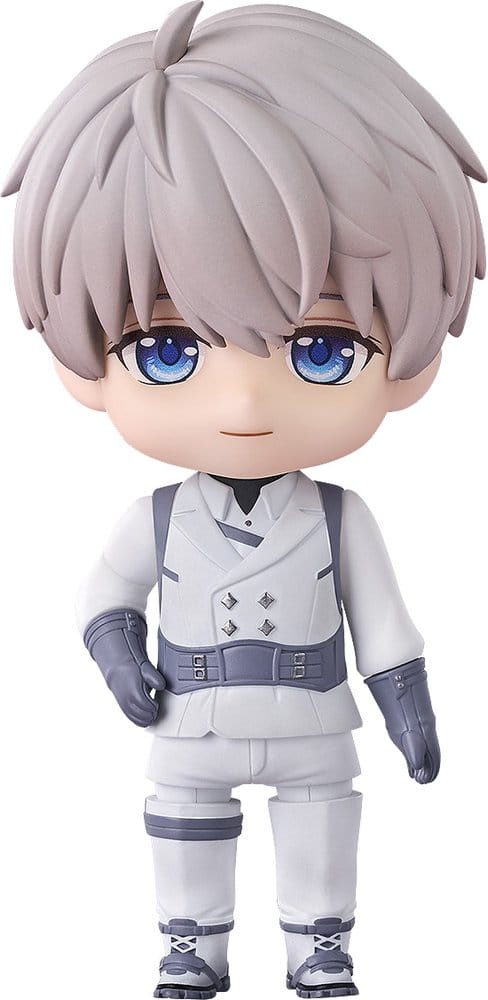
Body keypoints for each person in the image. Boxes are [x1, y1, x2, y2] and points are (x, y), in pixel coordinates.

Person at [2, 3, 485, 997]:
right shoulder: (157, 518)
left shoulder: (341, 517)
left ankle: (320, 943)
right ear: (83, 365)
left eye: (322, 349)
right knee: (183, 824)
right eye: (166, 350)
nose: (243, 405)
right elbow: (101, 596)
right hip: (190, 718)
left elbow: (384, 624)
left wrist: (408, 706)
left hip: (312, 712)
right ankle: (191, 944)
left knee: (322, 825)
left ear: (408, 362)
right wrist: (118, 655)